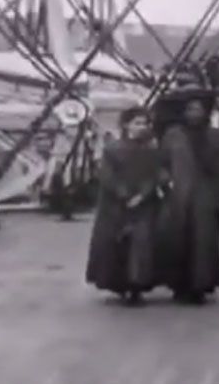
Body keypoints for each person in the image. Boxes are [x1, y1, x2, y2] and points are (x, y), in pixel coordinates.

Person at [85, 106, 168, 305]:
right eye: (137, 123)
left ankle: (136, 286)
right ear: (126, 125)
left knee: (142, 245)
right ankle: (121, 284)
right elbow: (107, 176)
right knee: (117, 245)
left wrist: (142, 195)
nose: (142, 127)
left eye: (145, 123)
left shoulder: (152, 150)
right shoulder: (113, 149)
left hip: (144, 204)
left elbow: (155, 175)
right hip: (115, 206)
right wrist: (124, 195)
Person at [158, 89, 219, 304]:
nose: (194, 113)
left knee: (203, 242)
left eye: (198, 109)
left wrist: (217, 193)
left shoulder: (216, 135)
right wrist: (165, 183)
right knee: (178, 239)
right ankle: (179, 285)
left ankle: (201, 285)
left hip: (205, 195)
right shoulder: (173, 134)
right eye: (190, 109)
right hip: (179, 194)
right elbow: (162, 162)